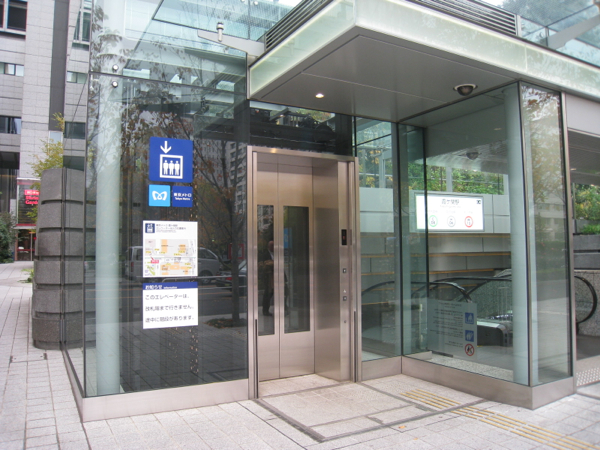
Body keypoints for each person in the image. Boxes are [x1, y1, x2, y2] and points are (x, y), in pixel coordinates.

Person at [259, 240, 274, 316]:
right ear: (268, 246)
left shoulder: (277, 254)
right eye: (272, 245)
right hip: (268, 277)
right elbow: (263, 264)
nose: (273, 247)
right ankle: (265, 310)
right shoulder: (265, 255)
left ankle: (284, 308)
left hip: (276, 276)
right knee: (268, 294)